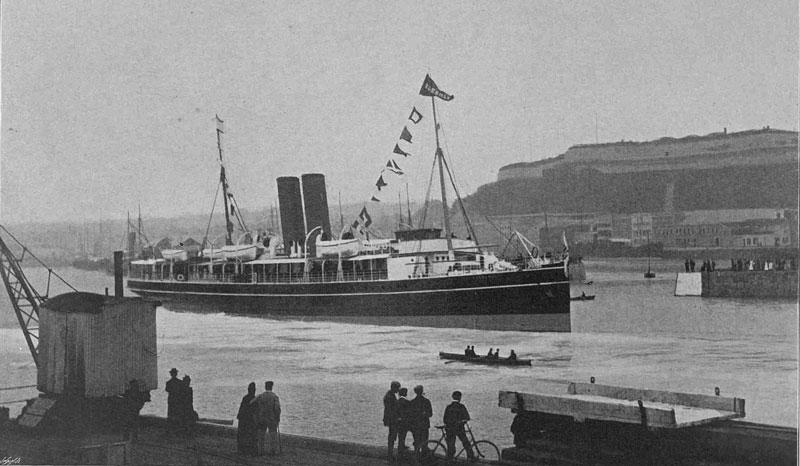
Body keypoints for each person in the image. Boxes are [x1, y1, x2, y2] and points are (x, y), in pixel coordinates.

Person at [443, 391, 475, 462]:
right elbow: (467, 417)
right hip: (459, 428)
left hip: (450, 428)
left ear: (452, 397)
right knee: (465, 442)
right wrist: (462, 421)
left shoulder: (448, 407)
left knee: (451, 445)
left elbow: (445, 420)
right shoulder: (461, 406)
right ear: (460, 398)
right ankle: (471, 457)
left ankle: (450, 459)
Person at [252, 381, 281, 456]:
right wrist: (277, 417)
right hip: (272, 418)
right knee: (273, 435)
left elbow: (252, 402)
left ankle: (260, 450)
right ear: (272, 387)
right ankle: (273, 451)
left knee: (261, 435)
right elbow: (277, 408)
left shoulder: (261, 396)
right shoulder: (274, 396)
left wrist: (257, 412)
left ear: (265, 387)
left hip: (262, 418)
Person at [409, 385, 432, 453]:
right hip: (424, 425)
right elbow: (430, 414)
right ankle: (424, 456)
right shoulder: (426, 401)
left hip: (415, 426)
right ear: (422, 391)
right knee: (424, 442)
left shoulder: (412, 402)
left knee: (416, 442)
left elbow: (410, 415)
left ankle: (416, 456)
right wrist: (424, 414)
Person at [237, 382, 258, 455]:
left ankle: (242, 448)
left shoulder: (245, 398)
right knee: (250, 434)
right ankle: (249, 449)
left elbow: (241, 408)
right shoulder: (254, 399)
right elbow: (255, 410)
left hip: (243, 418)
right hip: (249, 418)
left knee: (243, 434)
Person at [382, 381, 401, 459]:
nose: (398, 390)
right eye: (398, 388)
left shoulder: (389, 395)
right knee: (392, 436)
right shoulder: (390, 397)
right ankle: (390, 453)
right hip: (392, 419)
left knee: (392, 435)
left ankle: (390, 452)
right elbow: (392, 410)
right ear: (394, 388)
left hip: (390, 418)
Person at [165, 368, 182, 433]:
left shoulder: (168, 382)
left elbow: (167, 390)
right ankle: (175, 428)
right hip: (176, 400)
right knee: (176, 414)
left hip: (172, 400)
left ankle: (170, 428)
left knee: (171, 414)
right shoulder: (179, 382)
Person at [396, 387, 412, 455]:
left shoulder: (397, 402)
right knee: (403, 435)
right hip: (405, 422)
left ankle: (400, 447)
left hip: (398, 422)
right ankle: (401, 448)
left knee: (400, 436)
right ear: (405, 393)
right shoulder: (407, 402)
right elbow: (409, 413)